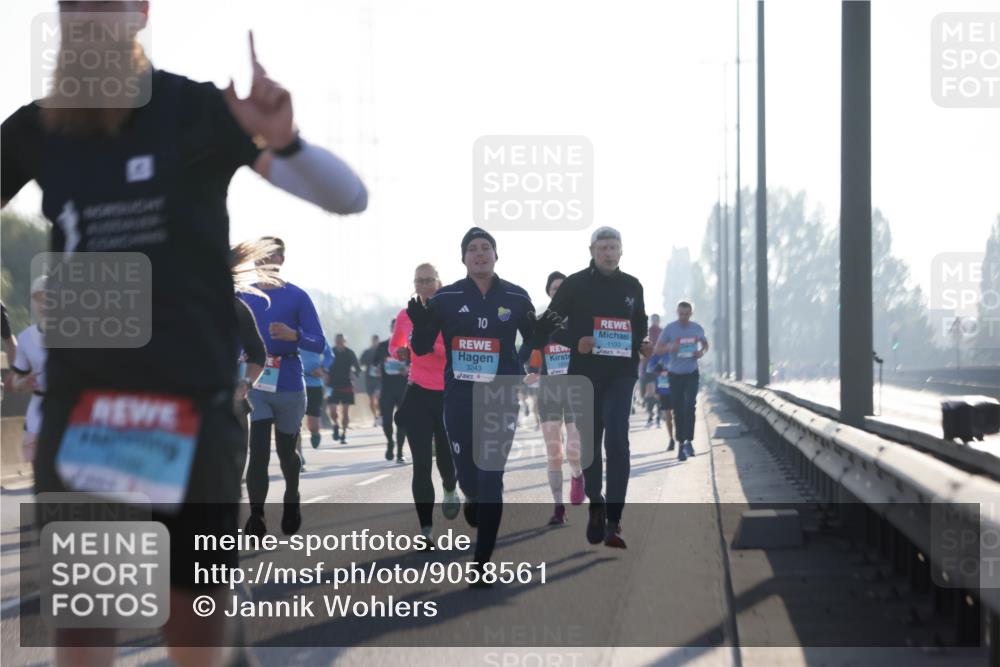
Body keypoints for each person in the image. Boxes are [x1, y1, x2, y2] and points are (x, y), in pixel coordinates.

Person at [1, 4, 366, 663]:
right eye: (73, 4)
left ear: (139, 12)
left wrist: (285, 140)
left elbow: (348, 197)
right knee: (85, 627)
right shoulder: (39, 128)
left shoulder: (191, 110)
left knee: (194, 625)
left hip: (189, 408)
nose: (87, 17)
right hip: (87, 413)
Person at [408, 228, 560, 583]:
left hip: (501, 396)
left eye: (485, 248)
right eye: (472, 249)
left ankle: (481, 563)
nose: (479, 254)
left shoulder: (516, 296)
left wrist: (545, 329)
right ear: (463, 258)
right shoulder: (445, 298)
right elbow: (421, 346)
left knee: (492, 478)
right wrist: (420, 325)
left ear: (495, 255)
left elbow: (534, 338)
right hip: (459, 398)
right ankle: (470, 495)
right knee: (472, 482)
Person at [547, 226, 650, 549]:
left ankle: (614, 521)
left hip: (621, 374)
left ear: (622, 251)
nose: (608, 252)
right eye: (602, 247)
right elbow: (549, 322)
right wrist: (576, 341)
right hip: (585, 376)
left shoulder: (632, 286)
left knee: (618, 437)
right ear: (591, 250)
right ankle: (596, 500)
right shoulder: (575, 284)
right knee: (590, 443)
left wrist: (643, 342)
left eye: (614, 247)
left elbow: (640, 322)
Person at [240, 237, 326, 537]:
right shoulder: (243, 297)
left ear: (281, 260)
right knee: (259, 451)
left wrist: (294, 335)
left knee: (286, 454)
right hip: (257, 382)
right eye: (259, 258)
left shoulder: (297, 297)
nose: (264, 263)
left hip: (289, 381)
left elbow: (319, 341)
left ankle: (292, 495)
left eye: (270, 257)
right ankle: (257, 516)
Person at [390, 263, 461, 541]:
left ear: (439, 282)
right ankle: (426, 529)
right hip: (417, 392)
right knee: (421, 463)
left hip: (446, 393)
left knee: (445, 456)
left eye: (429, 280)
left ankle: (450, 487)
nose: (424, 286)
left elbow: (457, 350)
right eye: (419, 281)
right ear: (414, 284)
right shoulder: (405, 315)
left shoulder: (449, 313)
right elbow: (394, 345)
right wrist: (400, 353)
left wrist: (429, 346)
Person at [522, 271, 585, 526]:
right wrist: (530, 371)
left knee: (573, 449)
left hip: (575, 390)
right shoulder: (541, 322)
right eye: (554, 288)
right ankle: (558, 507)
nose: (558, 291)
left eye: (562, 287)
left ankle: (578, 474)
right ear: (548, 292)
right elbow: (528, 352)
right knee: (553, 451)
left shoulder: (580, 321)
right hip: (548, 391)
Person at [654, 301, 709, 461]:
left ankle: (689, 442)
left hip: (691, 372)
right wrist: (671, 347)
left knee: (690, 405)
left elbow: (705, 345)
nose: (683, 317)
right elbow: (657, 349)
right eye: (681, 314)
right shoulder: (670, 329)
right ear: (677, 313)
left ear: (691, 313)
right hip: (675, 374)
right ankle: (680, 443)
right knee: (678, 408)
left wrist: (701, 352)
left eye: (686, 314)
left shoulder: (696, 328)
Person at [9, 276, 49, 464]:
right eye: (38, 299)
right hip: (38, 409)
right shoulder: (25, 338)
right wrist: (23, 383)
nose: (44, 305)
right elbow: (16, 383)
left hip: (68, 406)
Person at [374, 319, 408, 462]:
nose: (396, 331)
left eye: (399, 328)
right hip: (387, 389)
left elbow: (417, 364)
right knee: (387, 421)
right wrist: (377, 369)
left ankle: (400, 452)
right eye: (394, 328)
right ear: (390, 329)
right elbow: (373, 366)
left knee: (402, 421)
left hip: (403, 389)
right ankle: (389, 442)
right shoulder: (382, 346)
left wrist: (408, 369)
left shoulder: (409, 346)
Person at [327, 333, 360, 443]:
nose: (339, 343)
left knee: (345, 413)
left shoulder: (350, 353)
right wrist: (325, 375)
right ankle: (336, 425)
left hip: (346, 385)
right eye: (337, 341)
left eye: (341, 341)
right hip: (332, 385)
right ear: (335, 341)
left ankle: (344, 433)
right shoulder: (330, 352)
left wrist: (354, 375)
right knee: (332, 412)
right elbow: (323, 366)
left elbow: (358, 368)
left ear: (344, 341)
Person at [301, 341, 334, 448]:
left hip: (313, 384)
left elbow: (329, 355)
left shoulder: (317, 335)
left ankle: (315, 433)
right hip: (293, 383)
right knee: (293, 423)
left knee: (313, 425)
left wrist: (323, 368)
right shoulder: (285, 330)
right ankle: (297, 455)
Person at [646, 352, 676, 450]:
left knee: (679, 415)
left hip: (678, 387)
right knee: (668, 415)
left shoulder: (676, 350)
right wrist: (658, 370)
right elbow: (650, 367)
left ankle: (682, 440)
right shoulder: (658, 353)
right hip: (664, 389)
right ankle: (671, 440)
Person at [641, 313, 662, 427]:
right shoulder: (647, 333)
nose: (654, 322)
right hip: (648, 366)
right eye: (653, 320)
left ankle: (658, 417)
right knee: (650, 392)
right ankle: (650, 417)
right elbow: (642, 349)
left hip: (660, 367)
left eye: (656, 320)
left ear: (659, 321)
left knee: (658, 393)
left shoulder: (663, 332)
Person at [359, 334, 382, 427]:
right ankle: (375, 417)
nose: (375, 342)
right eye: (373, 340)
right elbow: (360, 362)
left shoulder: (382, 351)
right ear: (371, 341)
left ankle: (381, 415)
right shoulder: (367, 352)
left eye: (376, 340)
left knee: (378, 397)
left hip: (379, 379)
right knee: (371, 400)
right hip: (369, 379)